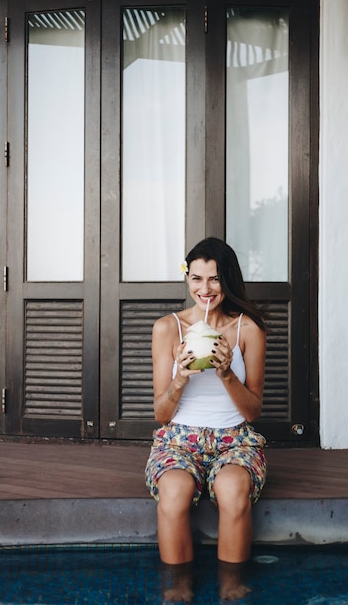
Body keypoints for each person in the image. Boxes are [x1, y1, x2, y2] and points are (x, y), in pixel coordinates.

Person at [145, 237, 267, 602]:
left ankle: (230, 585)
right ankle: (179, 585)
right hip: (178, 441)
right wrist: (180, 378)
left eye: (214, 279)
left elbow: (253, 411)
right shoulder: (168, 328)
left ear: (226, 280)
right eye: (196, 279)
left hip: (235, 439)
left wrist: (227, 373)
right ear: (187, 279)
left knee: (232, 492)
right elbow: (162, 414)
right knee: (174, 493)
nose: (205, 289)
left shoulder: (248, 330)